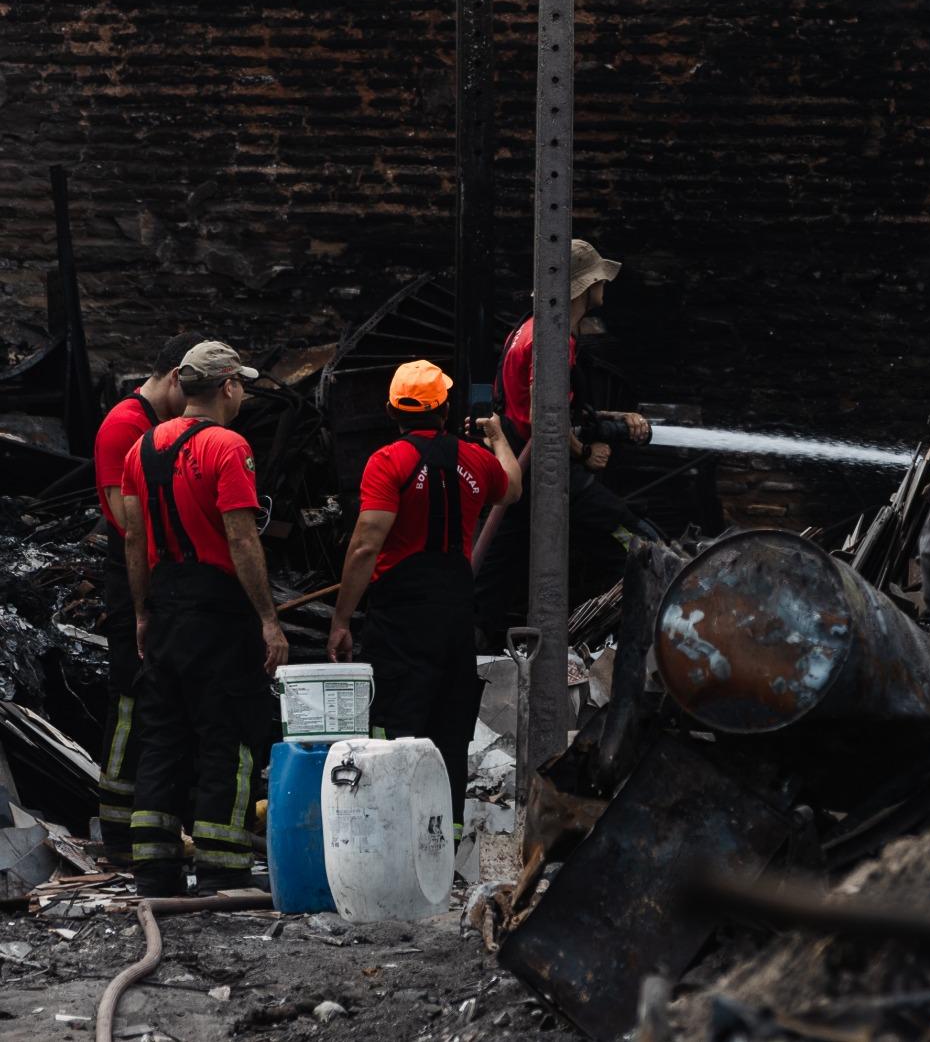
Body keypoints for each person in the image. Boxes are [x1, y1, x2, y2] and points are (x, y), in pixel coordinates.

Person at [326, 360, 520, 839]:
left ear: (393, 410)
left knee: (393, 728)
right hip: (455, 614)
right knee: (449, 730)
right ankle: (441, 846)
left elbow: (367, 543)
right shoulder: (476, 461)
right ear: (447, 409)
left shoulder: (388, 462)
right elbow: (512, 488)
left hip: (399, 619)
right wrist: (497, 437)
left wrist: (341, 620)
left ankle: (390, 837)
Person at [120, 341, 287, 897]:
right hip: (217, 610)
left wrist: (143, 611)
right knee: (229, 735)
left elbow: (136, 539)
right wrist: (268, 619)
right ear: (227, 387)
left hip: (166, 605)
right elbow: (241, 536)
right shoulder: (227, 446)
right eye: (240, 383)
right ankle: (221, 868)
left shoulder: (141, 448)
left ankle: (154, 871)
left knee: (163, 735)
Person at [473, 239, 652, 647]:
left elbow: (554, 410)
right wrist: (585, 453)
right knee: (634, 541)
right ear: (584, 288)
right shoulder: (551, 340)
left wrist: (616, 420)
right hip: (548, 474)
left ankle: (482, 644)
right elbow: (545, 421)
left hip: (527, 472)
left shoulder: (530, 329)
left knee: (492, 578)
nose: (603, 286)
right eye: (598, 280)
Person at [91, 330, 207, 859]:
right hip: (133, 575)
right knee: (132, 698)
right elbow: (126, 523)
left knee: (159, 701)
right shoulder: (125, 426)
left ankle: (155, 827)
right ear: (178, 377)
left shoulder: (157, 428)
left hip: (160, 577)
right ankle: (117, 828)